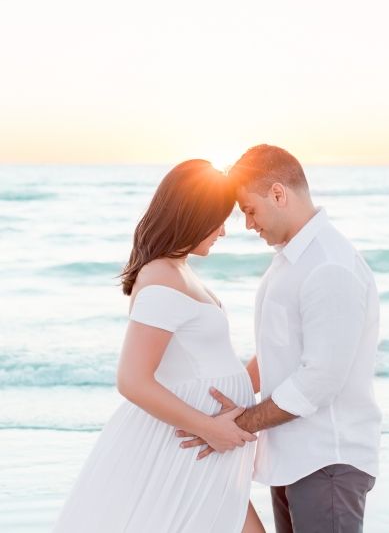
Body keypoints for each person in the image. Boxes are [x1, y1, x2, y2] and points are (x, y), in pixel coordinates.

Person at [53, 159, 265, 533]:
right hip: (186, 442)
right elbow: (132, 380)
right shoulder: (162, 277)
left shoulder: (177, 270)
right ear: (194, 216)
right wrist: (210, 428)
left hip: (202, 442)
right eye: (219, 220)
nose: (223, 232)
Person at [177, 145, 381, 533]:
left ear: (277, 194)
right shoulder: (293, 259)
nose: (248, 225)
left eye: (249, 210)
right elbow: (278, 348)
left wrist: (240, 423)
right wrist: (233, 398)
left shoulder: (329, 266)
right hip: (293, 455)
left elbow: (319, 380)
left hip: (327, 462)